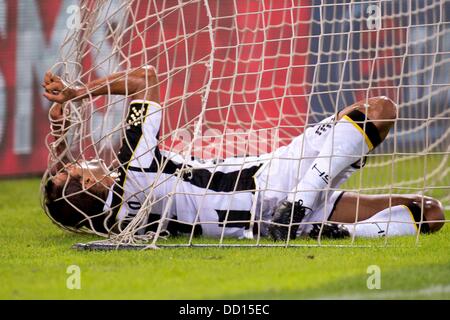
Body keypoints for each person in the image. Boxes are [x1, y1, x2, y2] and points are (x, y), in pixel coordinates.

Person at [42, 66, 445, 241]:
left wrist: (60, 133)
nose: (77, 163)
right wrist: (77, 94)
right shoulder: (134, 166)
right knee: (380, 110)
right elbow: (145, 78)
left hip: (255, 218)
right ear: (85, 183)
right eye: (75, 169)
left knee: (428, 213)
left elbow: (61, 186)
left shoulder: (115, 218)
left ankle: (330, 228)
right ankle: (300, 207)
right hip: (273, 180)